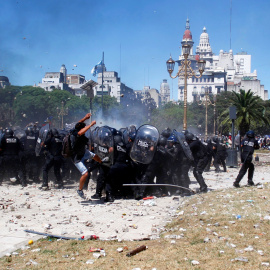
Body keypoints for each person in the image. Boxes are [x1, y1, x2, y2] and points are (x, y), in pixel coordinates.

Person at [71, 113, 102, 199]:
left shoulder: (75, 128)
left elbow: (78, 124)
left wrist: (85, 118)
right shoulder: (76, 134)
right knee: (85, 173)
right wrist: (91, 125)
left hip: (83, 152)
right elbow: (81, 132)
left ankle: (102, 164)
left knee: (96, 157)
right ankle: (80, 190)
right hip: (77, 157)